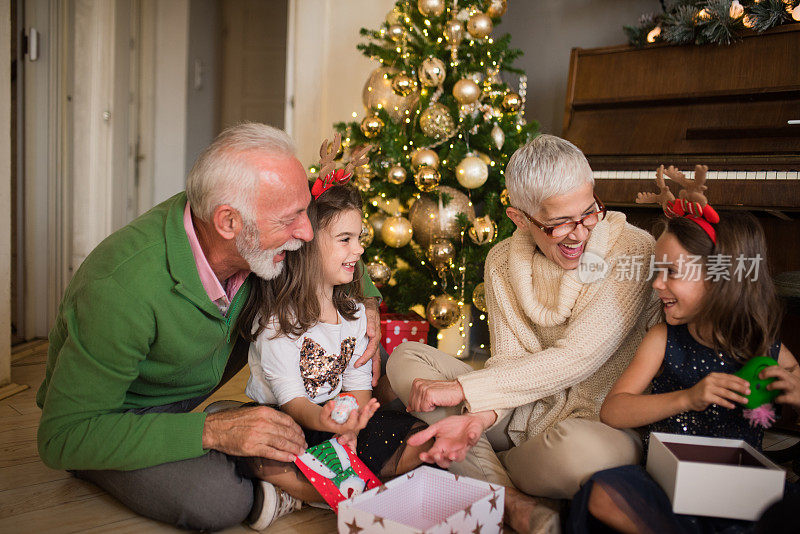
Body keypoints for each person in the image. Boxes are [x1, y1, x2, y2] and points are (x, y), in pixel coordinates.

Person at [35, 123, 384, 531]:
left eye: (304, 212)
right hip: (124, 416)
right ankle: (266, 466)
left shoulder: (262, 226)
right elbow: (61, 437)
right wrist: (213, 430)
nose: (304, 232)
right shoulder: (119, 289)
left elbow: (330, 242)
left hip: (199, 390)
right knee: (216, 500)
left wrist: (368, 301)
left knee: (372, 363)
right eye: (291, 220)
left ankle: (279, 459)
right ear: (229, 223)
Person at [387, 134, 658, 532]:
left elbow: (579, 356)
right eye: (559, 223)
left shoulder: (632, 248)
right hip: (520, 414)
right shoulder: (502, 262)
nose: (580, 232)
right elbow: (509, 363)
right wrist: (481, 417)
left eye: (588, 212)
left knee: (580, 457)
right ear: (519, 218)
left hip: (595, 422)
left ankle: (475, 472)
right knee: (407, 358)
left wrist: (465, 395)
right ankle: (511, 499)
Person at [571, 212, 800, 533]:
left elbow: (791, 371)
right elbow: (613, 411)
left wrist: (794, 389)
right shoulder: (663, 339)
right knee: (603, 494)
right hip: (669, 484)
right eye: (657, 271)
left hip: (737, 489)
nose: (657, 283)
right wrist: (687, 398)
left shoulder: (761, 346)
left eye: (671, 273)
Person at [241, 175, 431, 527]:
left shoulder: (355, 314)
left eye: (358, 239)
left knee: (416, 433)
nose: (358, 250)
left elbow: (357, 379)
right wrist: (324, 421)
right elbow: (292, 400)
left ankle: (310, 493)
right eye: (345, 240)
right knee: (259, 451)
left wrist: (353, 428)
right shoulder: (276, 323)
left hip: (336, 424)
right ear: (306, 246)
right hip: (289, 417)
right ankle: (310, 489)